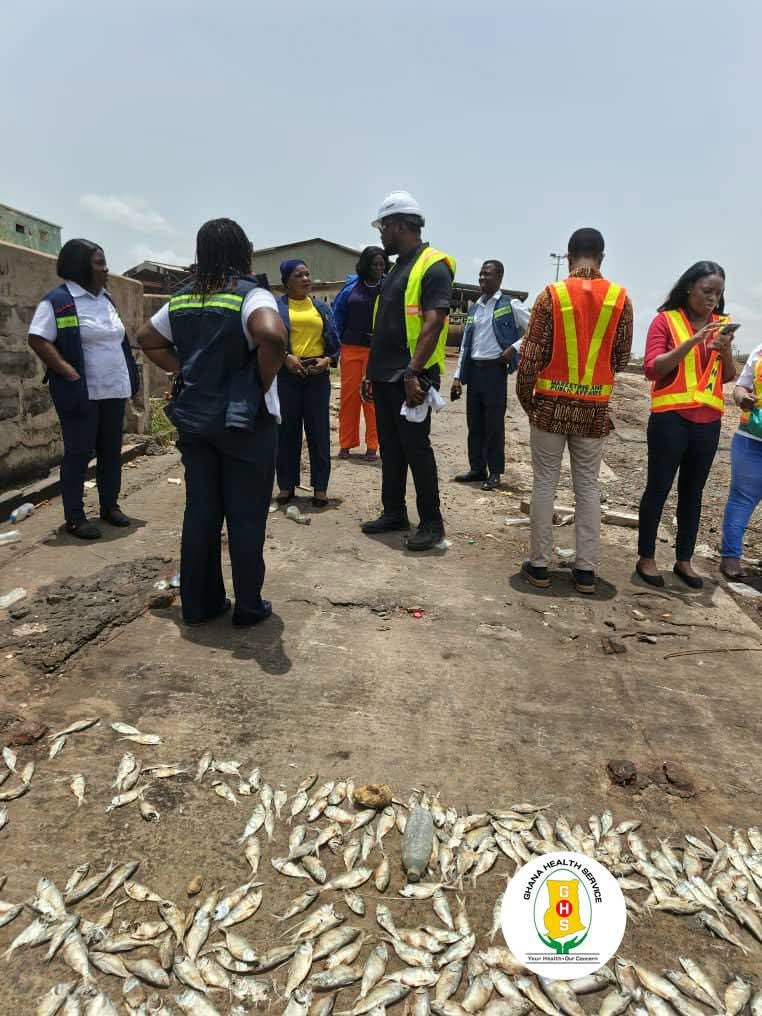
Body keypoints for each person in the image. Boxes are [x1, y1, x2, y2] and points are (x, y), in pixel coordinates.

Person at [136, 218, 287, 626]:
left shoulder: (183, 298)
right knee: (246, 515)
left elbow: (147, 338)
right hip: (245, 425)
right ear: (244, 253)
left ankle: (200, 605)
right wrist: (258, 383)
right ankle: (248, 606)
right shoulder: (251, 295)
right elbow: (272, 336)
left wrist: (185, 371)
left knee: (201, 511)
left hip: (196, 422)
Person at [517, 227, 633, 594]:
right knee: (587, 486)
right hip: (593, 411)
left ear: (568, 257)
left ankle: (539, 566)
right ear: (602, 256)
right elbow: (621, 358)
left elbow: (530, 357)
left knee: (544, 483)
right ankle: (585, 571)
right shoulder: (620, 299)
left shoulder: (551, 296)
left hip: (550, 408)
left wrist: (528, 402)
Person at [361, 190, 455, 552]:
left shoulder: (433, 266)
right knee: (391, 448)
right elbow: (385, 324)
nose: (381, 235)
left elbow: (433, 323)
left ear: (399, 225)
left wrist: (413, 372)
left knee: (416, 449)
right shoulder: (398, 267)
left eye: (383, 228)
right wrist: (371, 371)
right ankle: (394, 512)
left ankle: (432, 523)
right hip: (386, 374)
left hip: (411, 376)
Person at [27, 239, 140, 539]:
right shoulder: (58, 301)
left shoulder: (106, 299)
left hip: (113, 390)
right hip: (81, 393)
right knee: (79, 454)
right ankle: (75, 518)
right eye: (99, 263)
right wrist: (68, 372)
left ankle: (110, 507)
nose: (106, 269)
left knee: (111, 452)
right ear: (80, 267)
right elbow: (38, 338)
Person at [636, 261, 736, 589]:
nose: (712, 298)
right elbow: (652, 369)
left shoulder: (721, 325)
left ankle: (684, 560)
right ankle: (647, 557)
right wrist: (692, 341)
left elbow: (728, 376)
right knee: (658, 488)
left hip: (708, 422)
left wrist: (724, 352)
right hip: (670, 419)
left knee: (693, 493)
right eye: (707, 291)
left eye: (718, 293)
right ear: (689, 287)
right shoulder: (665, 321)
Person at [451, 259, 529, 490]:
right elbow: (465, 344)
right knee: (474, 423)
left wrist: (513, 348)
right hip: (474, 371)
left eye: (487, 274)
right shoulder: (474, 308)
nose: (482, 278)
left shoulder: (510, 304)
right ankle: (477, 469)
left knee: (493, 425)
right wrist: (457, 376)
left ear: (499, 277)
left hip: (495, 371)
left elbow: (536, 328)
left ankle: (495, 472)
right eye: (481, 274)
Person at [275, 260, 339, 508]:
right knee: (287, 432)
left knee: (318, 431)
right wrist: (285, 357)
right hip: (288, 374)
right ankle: (286, 486)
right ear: (286, 282)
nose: (306, 279)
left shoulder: (321, 308)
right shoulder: (276, 308)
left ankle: (320, 488)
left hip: (316, 375)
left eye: (307, 274)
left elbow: (334, 341)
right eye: (298, 275)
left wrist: (327, 360)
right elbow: (268, 339)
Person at [331, 246, 388, 462]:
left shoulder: (388, 287)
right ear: (365, 265)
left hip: (377, 351)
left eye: (382, 264)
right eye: (374, 264)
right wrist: (334, 348)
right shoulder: (351, 288)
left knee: (372, 399)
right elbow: (337, 318)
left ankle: (372, 445)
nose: (379, 268)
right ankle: (346, 443)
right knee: (349, 398)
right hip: (351, 348)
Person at [720, 343, 762, 580]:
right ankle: (731, 557)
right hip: (751, 438)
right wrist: (742, 398)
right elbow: (740, 386)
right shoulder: (759, 351)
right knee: (742, 500)